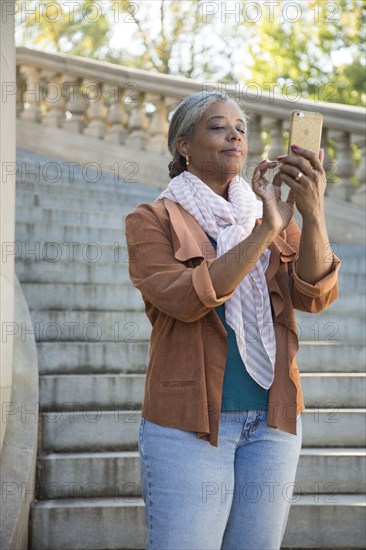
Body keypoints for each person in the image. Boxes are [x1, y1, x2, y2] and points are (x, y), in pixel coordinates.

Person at [124, 90, 341, 550]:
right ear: (184, 145)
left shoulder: (262, 210)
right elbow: (186, 299)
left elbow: (315, 293)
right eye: (218, 126)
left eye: (240, 128)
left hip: (273, 422)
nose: (235, 135)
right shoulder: (151, 219)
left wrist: (312, 209)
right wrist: (266, 231)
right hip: (189, 425)